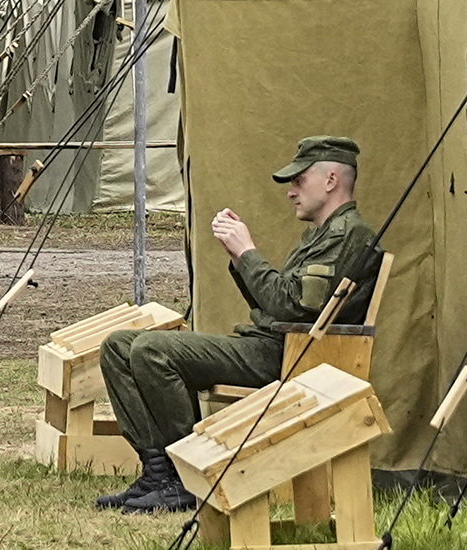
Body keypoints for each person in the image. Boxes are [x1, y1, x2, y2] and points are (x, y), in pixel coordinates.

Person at [96, 135, 380, 513]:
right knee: (118, 346)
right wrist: (238, 256)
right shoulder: (324, 235)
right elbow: (279, 303)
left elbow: (288, 307)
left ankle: (184, 478)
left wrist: (247, 251)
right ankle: (158, 472)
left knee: (152, 351)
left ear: (331, 180)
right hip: (274, 344)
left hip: (290, 355)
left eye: (299, 180)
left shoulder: (351, 236)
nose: (292, 192)